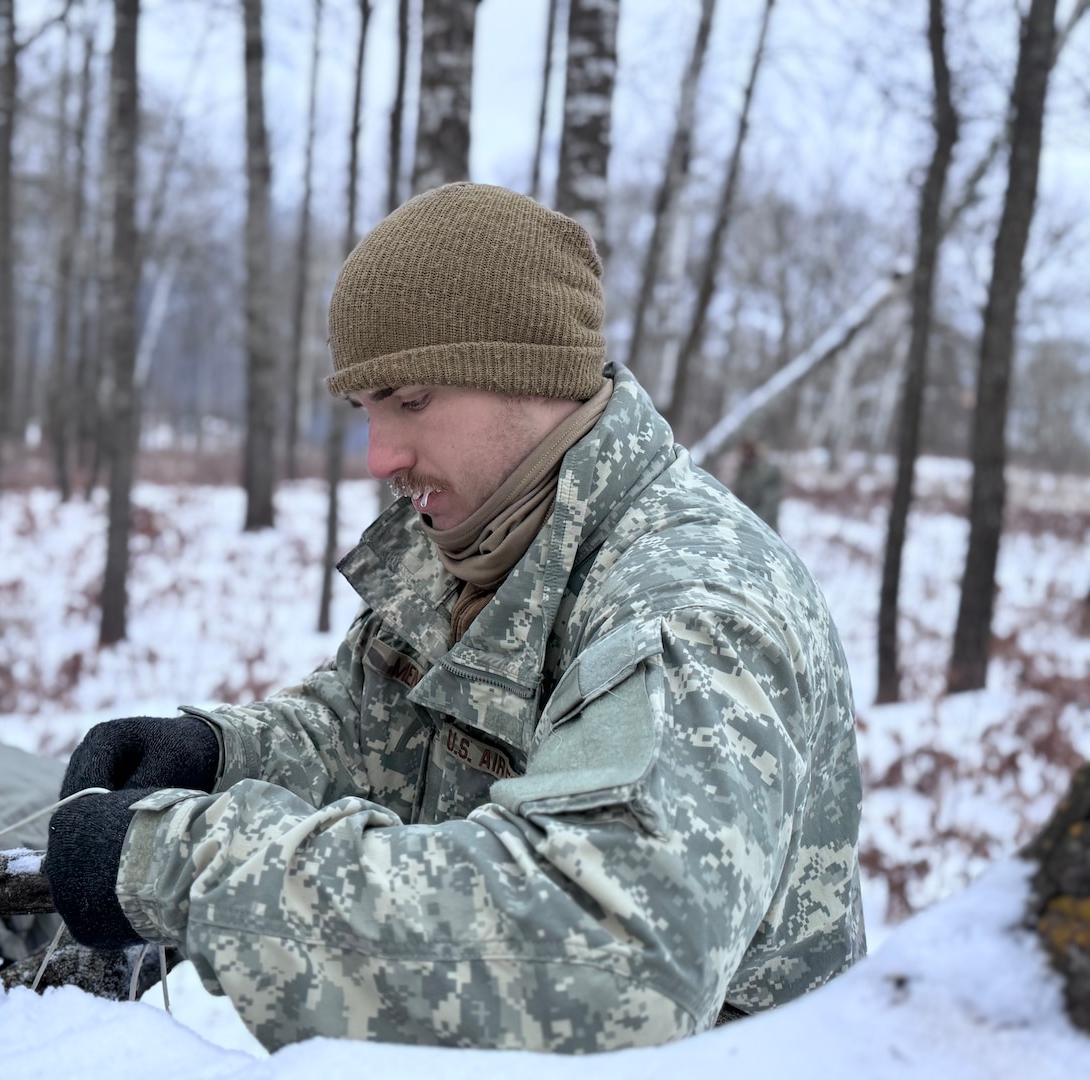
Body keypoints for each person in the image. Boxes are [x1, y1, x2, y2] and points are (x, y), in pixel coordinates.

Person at [44, 183, 865, 1054]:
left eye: (411, 400)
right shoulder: (482, 536)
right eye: (366, 411)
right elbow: (375, 735)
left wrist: (179, 865)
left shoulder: (692, 603)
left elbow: (610, 958)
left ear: (530, 373)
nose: (381, 458)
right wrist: (217, 754)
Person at [732, 438, 785, 532]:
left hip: (765, 519)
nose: (745, 454)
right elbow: (738, 493)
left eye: (748, 451)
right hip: (747, 518)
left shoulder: (767, 470)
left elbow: (776, 492)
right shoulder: (742, 470)